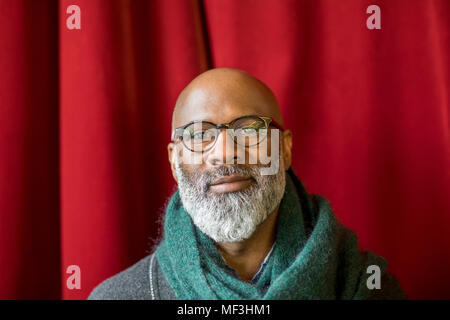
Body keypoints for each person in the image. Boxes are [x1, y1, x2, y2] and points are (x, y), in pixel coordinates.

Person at [88, 68, 405, 300]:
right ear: (174, 159)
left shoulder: (367, 285)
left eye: (251, 129)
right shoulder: (119, 297)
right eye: (200, 134)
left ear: (284, 149)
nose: (225, 153)